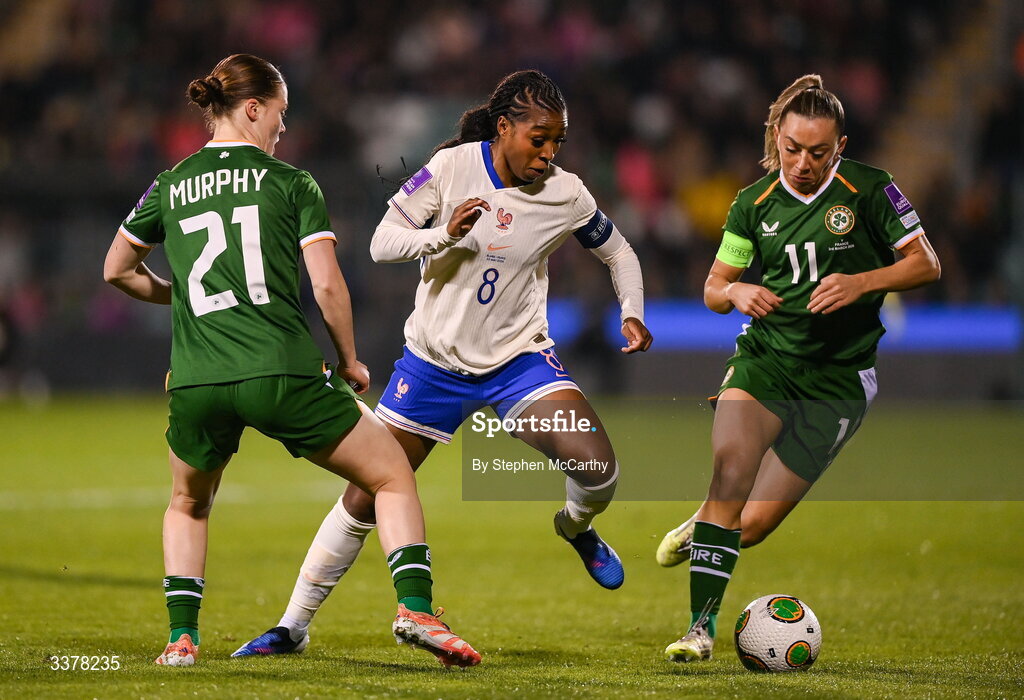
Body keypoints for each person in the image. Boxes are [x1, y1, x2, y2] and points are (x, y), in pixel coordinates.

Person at [233, 69, 653, 656]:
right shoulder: (451, 169)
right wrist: (442, 237)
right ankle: (291, 628)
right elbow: (382, 243)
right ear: (504, 128)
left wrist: (630, 311)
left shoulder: (567, 193)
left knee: (599, 470)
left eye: (558, 141)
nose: (549, 153)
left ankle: (575, 527)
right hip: (432, 366)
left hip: (517, 363)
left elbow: (618, 251)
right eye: (539, 139)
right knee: (366, 494)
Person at [102, 54, 479, 669]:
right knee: (390, 474)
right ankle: (415, 608)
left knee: (187, 503)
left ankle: (181, 640)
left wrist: (191, 300)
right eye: (280, 113)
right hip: (280, 371)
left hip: (197, 380)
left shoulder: (169, 184)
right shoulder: (292, 183)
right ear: (253, 108)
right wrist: (350, 360)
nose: (282, 127)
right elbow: (328, 287)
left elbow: (116, 269)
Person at [656, 74, 941, 662]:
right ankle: (698, 630)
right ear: (777, 139)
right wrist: (736, 294)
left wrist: (863, 281)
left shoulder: (871, 191)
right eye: (792, 149)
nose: (803, 163)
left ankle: (704, 526)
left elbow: (925, 264)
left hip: (838, 380)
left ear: (840, 146)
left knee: (750, 527)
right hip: (766, 361)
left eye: (818, 152)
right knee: (730, 468)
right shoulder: (752, 204)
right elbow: (714, 287)